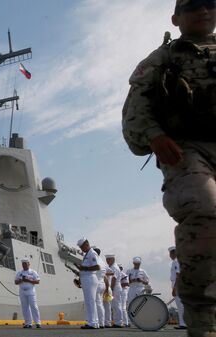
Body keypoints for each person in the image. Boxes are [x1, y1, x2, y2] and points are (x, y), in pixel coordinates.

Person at [122, 1, 216, 335]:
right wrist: (153, 135)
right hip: (185, 149)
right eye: (192, 5)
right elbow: (136, 108)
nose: (202, 10)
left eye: (210, 3)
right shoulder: (162, 59)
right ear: (175, 18)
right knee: (204, 210)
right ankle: (203, 326)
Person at [75, 238, 100, 329]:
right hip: (86, 279)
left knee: (90, 301)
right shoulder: (87, 254)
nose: (81, 249)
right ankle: (93, 322)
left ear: (86, 244)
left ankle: (92, 323)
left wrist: (84, 269)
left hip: (90, 279)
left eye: (82, 247)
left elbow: (97, 266)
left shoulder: (92, 253)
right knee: (89, 301)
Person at [15, 258, 42, 328]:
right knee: (25, 307)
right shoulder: (19, 273)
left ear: (29, 264)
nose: (24, 265)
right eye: (23, 264)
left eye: (25, 264)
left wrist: (28, 280)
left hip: (30, 291)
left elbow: (37, 281)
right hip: (22, 291)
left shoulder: (33, 272)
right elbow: (15, 282)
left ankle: (38, 323)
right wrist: (21, 280)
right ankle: (28, 323)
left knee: (34, 306)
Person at [170, 246, 188, 330]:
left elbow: (178, 275)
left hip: (178, 284)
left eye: (171, 253)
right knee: (181, 305)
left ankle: (183, 324)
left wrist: (174, 288)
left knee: (181, 306)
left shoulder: (176, 261)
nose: (170, 255)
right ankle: (183, 323)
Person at [92, 247, 109, 329]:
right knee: (100, 304)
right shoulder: (102, 261)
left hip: (96, 284)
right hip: (102, 283)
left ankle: (95, 322)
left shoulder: (95, 260)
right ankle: (101, 323)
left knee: (95, 303)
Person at [106, 255, 124, 328]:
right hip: (115, 287)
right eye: (107, 259)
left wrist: (112, 289)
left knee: (117, 305)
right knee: (114, 305)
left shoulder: (114, 267)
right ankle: (117, 322)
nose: (107, 261)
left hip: (115, 287)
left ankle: (119, 322)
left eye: (109, 259)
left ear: (113, 259)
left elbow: (114, 279)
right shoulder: (112, 267)